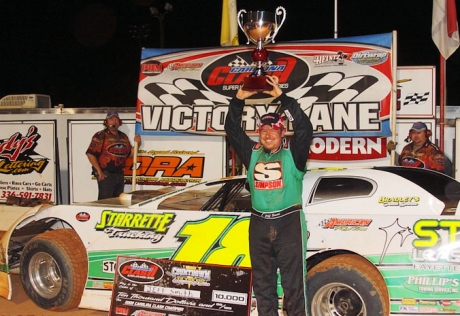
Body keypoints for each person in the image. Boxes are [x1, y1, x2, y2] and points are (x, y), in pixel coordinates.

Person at [224, 75, 313, 316]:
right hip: (259, 223)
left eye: (273, 129)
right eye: (264, 130)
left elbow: (305, 127)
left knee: (293, 286)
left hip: (289, 223)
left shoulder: (294, 152)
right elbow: (231, 129)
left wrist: (281, 98)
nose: (268, 134)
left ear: (282, 132)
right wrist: (238, 100)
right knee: (263, 286)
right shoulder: (251, 151)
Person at [86, 110, 142, 200]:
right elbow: (90, 154)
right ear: (106, 122)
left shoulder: (123, 136)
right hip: (106, 175)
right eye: (111, 119)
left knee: (117, 202)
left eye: (116, 119)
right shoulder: (100, 135)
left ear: (119, 122)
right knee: (105, 202)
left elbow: (130, 154)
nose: (114, 122)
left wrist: (137, 144)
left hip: (119, 175)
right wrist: (99, 172)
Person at [388, 121, 452, 176]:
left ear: (426, 134)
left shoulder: (433, 151)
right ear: (410, 134)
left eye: (419, 133)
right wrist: (391, 151)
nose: (416, 135)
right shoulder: (406, 148)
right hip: (408, 186)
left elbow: (440, 175)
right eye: (414, 132)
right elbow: (400, 165)